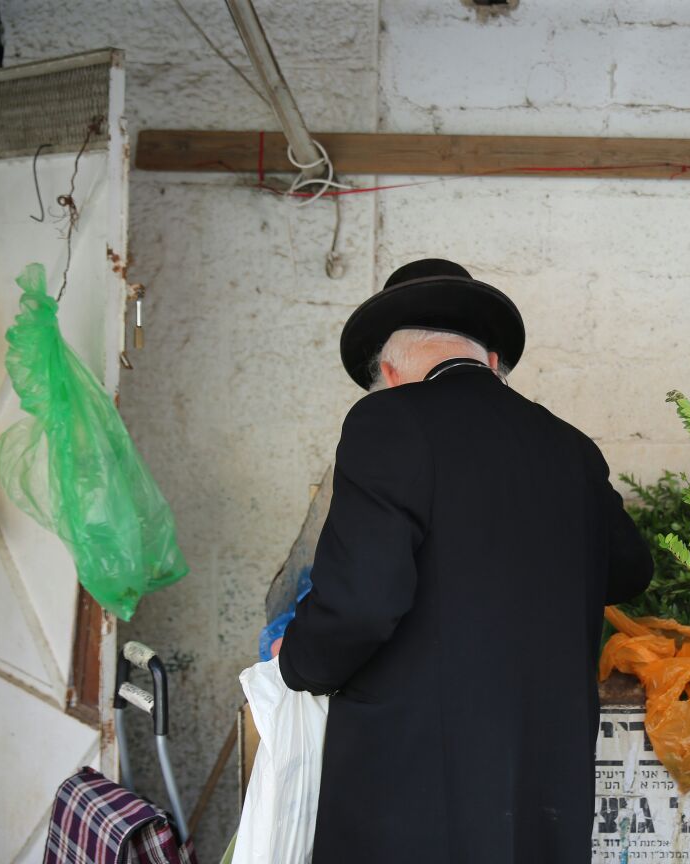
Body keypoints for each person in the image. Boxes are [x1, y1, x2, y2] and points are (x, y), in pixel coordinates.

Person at [276, 258, 653, 863]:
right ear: (493, 363)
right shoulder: (570, 447)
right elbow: (632, 571)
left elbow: (364, 601)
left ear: (391, 374)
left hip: (415, 782)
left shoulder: (387, 421)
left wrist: (301, 661)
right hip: (543, 779)